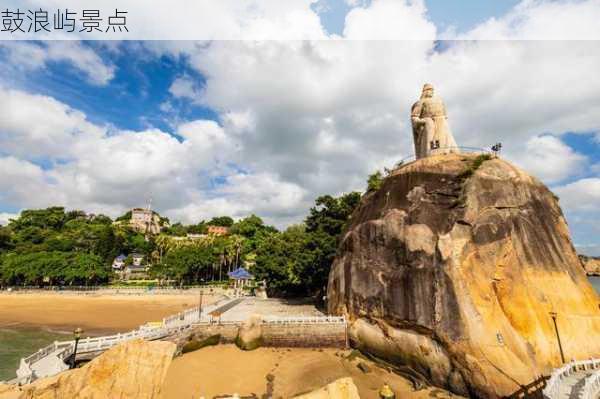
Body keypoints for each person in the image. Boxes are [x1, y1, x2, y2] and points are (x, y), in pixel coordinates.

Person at [411, 83, 459, 159]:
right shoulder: (421, 102)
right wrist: (424, 121)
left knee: (451, 146)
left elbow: (445, 115)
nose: (432, 92)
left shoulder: (440, 101)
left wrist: (441, 119)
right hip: (429, 126)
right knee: (432, 147)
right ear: (425, 91)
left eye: (432, 90)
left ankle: (449, 152)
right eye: (430, 90)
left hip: (442, 123)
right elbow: (414, 117)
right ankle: (431, 154)